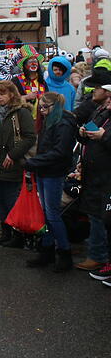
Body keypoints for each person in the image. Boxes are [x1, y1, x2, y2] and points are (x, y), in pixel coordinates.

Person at [24, 92, 77, 272]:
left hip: (53, 172)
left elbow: (61, 152)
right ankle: (47, 251)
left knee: (53, 214)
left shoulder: (64, 123)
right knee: (46, 213)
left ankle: (64, 252)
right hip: (43, 170)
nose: (42, 110)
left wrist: (33, 162)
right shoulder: (49, 121)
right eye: (41, 107)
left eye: (46, 107)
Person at [0, 81, 36, 248]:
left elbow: (30, 137)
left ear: (11, 94)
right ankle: (6, 231)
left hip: (13, 163)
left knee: (12, 200)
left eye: (2, 94)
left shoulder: (21, 112)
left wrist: (13, 154)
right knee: (1, 201)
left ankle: (17, 234)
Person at [75, 86, 111, 274]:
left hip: (105, 176)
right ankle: (97, 254)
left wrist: (103, 136)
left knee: (100, 216)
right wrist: (83, 133)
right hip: (94, 171)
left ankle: (98, 256)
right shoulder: (100, 111)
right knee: (95, 214)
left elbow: (105, 137)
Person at [14, 45, 46, 115]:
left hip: (40, 118)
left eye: (35, 61)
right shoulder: (16, 80)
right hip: (24, 118)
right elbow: (11, 99)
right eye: (30, 61)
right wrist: (25, 97)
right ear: (24, 65)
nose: (33, 64)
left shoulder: (42, 80)